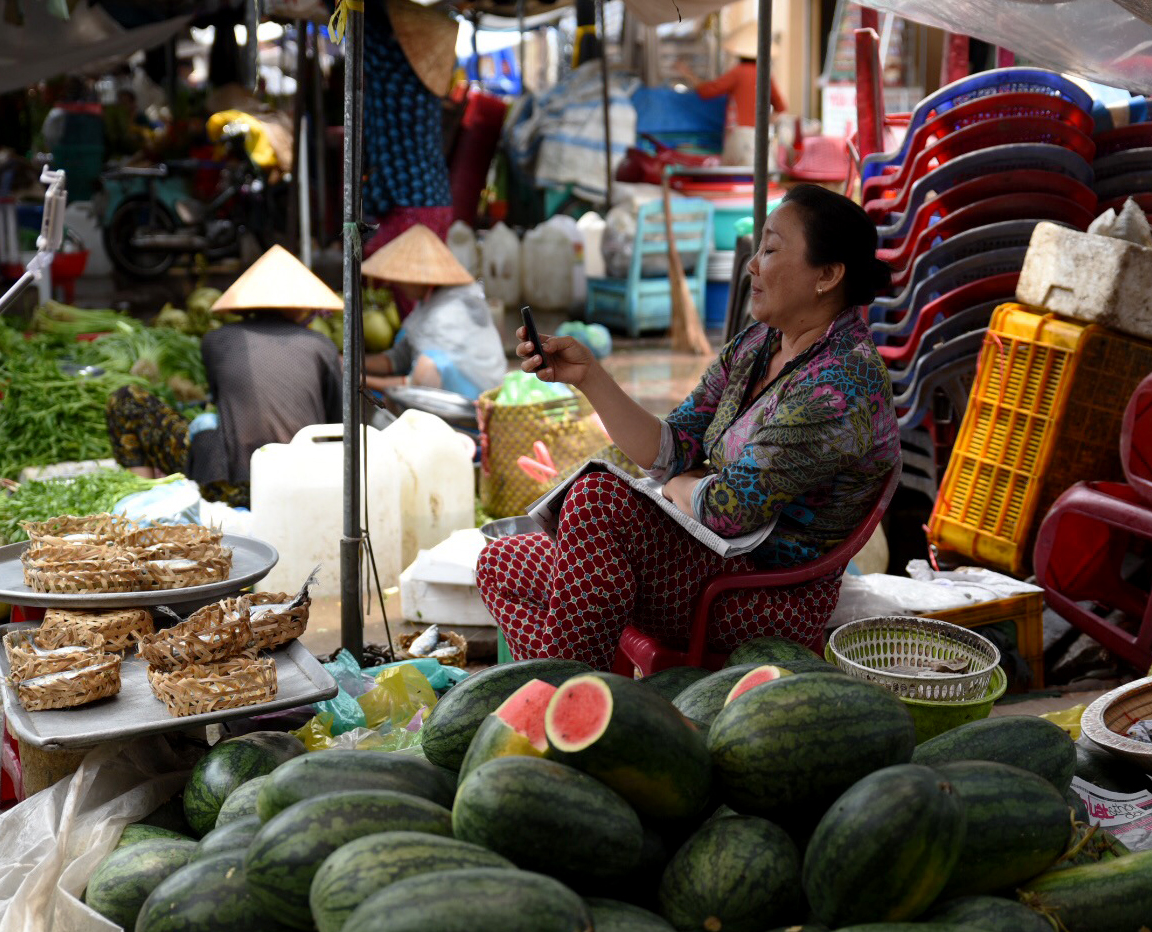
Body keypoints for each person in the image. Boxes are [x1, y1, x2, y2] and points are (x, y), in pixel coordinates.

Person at [477, 184, 899, 669]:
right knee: (501, 563)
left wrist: (678, 485)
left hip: (761, 597)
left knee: (597, 500)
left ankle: (576, 707)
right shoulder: (757, 345)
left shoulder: (844, 382)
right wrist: (589, 377)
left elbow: (729, 511)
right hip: (700, 566)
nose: (752, 264)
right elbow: (673, 448)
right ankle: (587, 695)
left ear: (827, 274)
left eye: (770, 249)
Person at [106, 245, 343, 507]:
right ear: (300, 307)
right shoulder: (321, 345)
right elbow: (338, 423)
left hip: (230, 485)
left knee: (127, 399)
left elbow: (225, 406)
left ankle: (142, 498)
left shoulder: (217, 340)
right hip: (302, 483)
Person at [361, 224, 506, 401]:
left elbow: (416, 382)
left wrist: (362, 380)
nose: (396, 284)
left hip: (472, 400)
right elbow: (398, 359)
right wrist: (350, 363)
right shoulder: (429, 304)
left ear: (421, 281)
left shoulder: (445, 314)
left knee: (427, 364)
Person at [673, 21, 785, 166]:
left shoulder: (739, 72)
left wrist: (688, 74)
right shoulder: (766, 75)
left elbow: (708, 91)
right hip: (760, 137)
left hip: (739, 136)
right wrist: (764, 122)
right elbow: (781, 107)